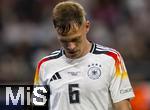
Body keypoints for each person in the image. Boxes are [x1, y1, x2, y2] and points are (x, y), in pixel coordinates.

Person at [34, 1, 134, 110]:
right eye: (65, 41)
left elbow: (123, 107)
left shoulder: (111, 59)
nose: (71, 46)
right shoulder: (44, 66)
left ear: (87, 26)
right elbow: (38, 106)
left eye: (75, 39)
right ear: (56, 32)